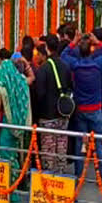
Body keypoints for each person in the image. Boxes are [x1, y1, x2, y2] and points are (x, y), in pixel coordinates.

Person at [62, 33, 102, 180]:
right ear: (91, 49)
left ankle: (79, 174)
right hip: (95, 108)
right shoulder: (98, 65)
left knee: (80, 143)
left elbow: (64, 55)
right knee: (98, 144)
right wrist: (98, 42)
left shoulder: (76, 66)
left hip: (81, 109)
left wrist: (74, 41)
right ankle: (101, 174)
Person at [0, 48, 32, 198]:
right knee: (14, 156)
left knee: (5, 157)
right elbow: (32, 78)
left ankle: (8, 190)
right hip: (18, 126)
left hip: (7, 127)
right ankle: (15, 189)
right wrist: (26, 63)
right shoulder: (21, 82)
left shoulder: (3, 88)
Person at [32, 35, 72, 172]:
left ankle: (49, 177)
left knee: (48, 151)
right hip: (63, 113)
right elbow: (70, 87)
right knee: (61, 147)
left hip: (47, 115)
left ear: (47, 48)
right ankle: (61, 175)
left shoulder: (44, 69)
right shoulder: (65, 66)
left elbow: (40, 93)